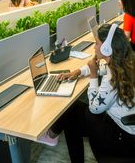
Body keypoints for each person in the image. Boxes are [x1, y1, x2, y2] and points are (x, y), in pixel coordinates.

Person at [39, 24, 135, 162]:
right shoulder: (124, 62)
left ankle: (52, 135)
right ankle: (52, 135)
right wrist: (78, 72)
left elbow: (94, 108)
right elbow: (101, 67)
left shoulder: (112, 79)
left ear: (106, 48)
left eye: (96, 43)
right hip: (128, 128)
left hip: (124, 139)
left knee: (72, 112)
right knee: (73, 113)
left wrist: (93, 76)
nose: (94, 47)